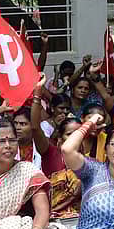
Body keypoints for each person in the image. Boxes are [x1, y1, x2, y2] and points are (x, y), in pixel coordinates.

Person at [30, 76, 83, 218]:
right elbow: (35, 127)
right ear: (60, 139)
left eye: (78, 134)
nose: (74, 137)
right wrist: (37, 93)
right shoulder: (50, 153)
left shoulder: (87, 161)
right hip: (52, 218)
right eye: (69, 134)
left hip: (81, 218)